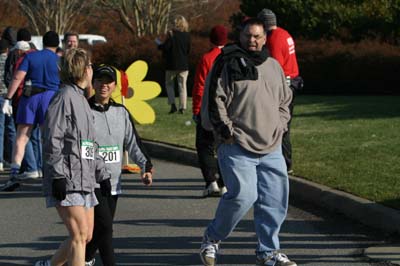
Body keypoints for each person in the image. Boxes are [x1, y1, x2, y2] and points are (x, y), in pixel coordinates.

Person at [199, 18, 296, 266]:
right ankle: (212, 238)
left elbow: (285, 101)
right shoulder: (226, 63)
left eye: (258, 36)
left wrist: (281, 125)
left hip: (271, 144)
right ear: (240, 36)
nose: (253, 40)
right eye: (248, 36)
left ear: (265, 38)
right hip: (237, 144)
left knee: (275, 200)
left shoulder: (273, 66)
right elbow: (215, 100)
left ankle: (269, 252)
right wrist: (226, 132)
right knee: (243, 196)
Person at [35, 48, 111, 266]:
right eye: (90, 67)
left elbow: (89, 144)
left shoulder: (82, 100)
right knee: (79, 237)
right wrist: (57, 176)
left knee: (85, 236)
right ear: (83, 69)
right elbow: (52, 139)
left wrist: (102, 174)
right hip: (67, 180)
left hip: (85, 180)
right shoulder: (63, 98)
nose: (92, 72)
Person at [84, 65, 153, 266]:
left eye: (108, 82)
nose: (104, 85)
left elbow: (133, 142)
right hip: (92, 182)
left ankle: (84, 258)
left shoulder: (120, 112)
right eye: (99, 81)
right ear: (93, 83)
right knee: (105, 227)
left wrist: (145, 167)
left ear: (114, 85)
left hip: (114, 182)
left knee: (103, 230)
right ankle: (86, 258)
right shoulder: (84, 110)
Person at [0, 31, 60, 191]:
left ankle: (13, 174)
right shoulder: (60, 60)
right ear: (57, 45)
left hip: (31, 97)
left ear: (42, 43)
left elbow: (18, 77)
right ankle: (52, 174)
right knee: (49, 138)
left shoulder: (31, 56)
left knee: (21, 137)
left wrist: (8, 98)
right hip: (51, 99)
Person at [257, 9, 303, 174]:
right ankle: (284, 162)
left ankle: (285, 163)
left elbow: (274, 68)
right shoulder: (285, 34)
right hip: (293, 81)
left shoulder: (274, 39)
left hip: (285, 84)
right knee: (284, 124)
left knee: (280, 126)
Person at [192, 25, 228, 197]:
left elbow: (199, 86)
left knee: (204, 146)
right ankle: (223, 182)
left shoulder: (207, 58)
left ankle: (211, 181)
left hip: (207, 107)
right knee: (223, 145)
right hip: (226, 109)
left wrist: (197, 109)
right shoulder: (231, 57)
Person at [157, 15, 191, 114]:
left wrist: (159, 45)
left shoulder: (172, 35)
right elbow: (188, 50)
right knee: (182, 86)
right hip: (184, 65)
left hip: (171, 64)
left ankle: (173, 105)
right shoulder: (187, 35)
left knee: (169, 85)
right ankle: (183, 107)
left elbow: (166, 48)